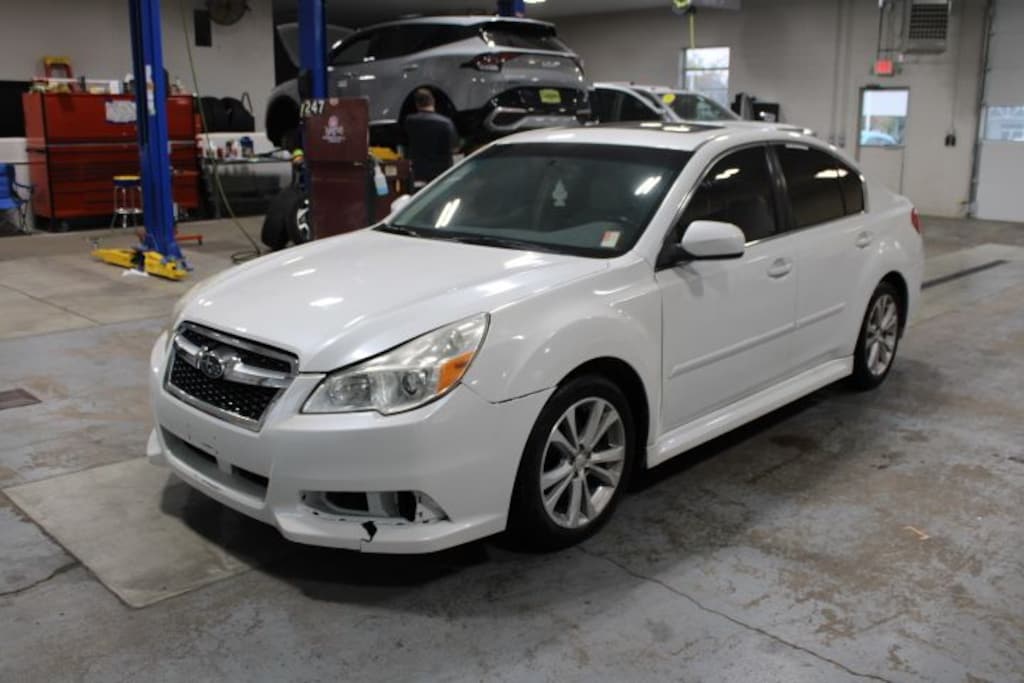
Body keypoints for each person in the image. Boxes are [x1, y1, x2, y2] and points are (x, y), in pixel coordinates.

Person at [403, 89, 458, 186]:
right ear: (433, 102)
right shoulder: (446, 123)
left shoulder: (410, 121)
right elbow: (454, 149)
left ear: (417, 104)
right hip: (442, 175)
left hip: (419, 174)